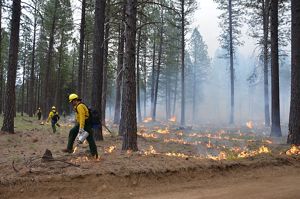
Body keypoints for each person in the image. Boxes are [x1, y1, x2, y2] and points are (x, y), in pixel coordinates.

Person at [62, 93, 98, 158]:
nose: (71, 103)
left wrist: (81, 128)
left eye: (72, 101)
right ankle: (69, 148)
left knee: (90, 139)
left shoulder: (80, 106)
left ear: (75, 100)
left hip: (86, 124)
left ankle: (94, 155)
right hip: (81, 124)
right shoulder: (78, 105)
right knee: (72, 131)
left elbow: (82, 117)